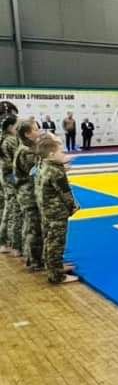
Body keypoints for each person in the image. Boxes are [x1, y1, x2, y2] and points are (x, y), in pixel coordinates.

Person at [35, 133, 80, 284]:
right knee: (56, 242)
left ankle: (54, 266)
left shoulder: (44, 165)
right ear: (52, 154)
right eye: (61, 152)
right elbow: (65, 192)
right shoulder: (56, 171)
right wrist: (73, 207)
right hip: (56, 212)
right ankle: (56, 275)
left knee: (49, 240)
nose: (64, 154)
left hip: (46, 210)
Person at [13, 119, 42, 270]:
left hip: (27, 192)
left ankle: (31, 257)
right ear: (27, 134)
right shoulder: (27, 151)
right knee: (34, 228)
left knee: (31, 226)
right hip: (29, 194)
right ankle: (36, 261)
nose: (39, 132)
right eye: (35, 129)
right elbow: (37, 172)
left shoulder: (28, 148)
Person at [0, 116, 23, 257]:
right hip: (11, 177)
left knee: (8, 208)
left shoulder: (5, 138)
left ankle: (4, 242)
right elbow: (18, 160)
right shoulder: (11, 140)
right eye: (17, 125)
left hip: (6, 176)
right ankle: (12, 244)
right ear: (10, 127)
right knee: (13, 210)